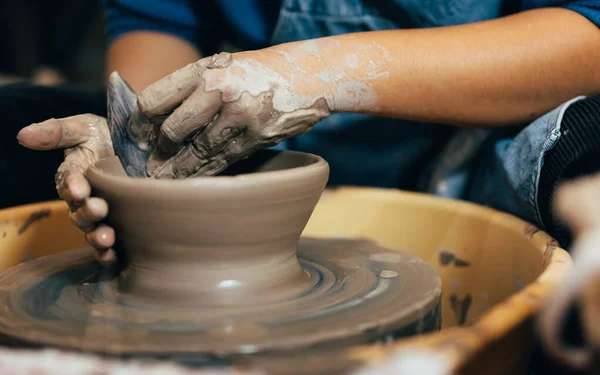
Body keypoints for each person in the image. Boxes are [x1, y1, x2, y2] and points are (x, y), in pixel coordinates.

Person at [10, 0, 600, 263]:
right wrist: (133, 149)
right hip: (259, 144)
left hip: (481, 143)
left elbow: (587, 31)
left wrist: (317, 74)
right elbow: (157, 18)